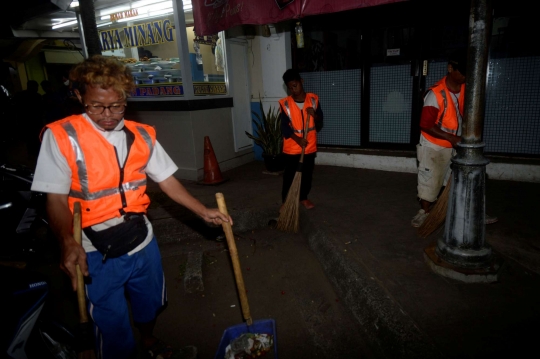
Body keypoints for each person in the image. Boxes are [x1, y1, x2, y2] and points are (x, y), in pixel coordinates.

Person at [30, 55, 232, 359]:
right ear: (79, 96)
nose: (108, 115)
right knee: (112, 327)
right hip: (92, 247)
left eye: (117, 105)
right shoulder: (62, 137)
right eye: (96, 106)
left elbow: (167, 181)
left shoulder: (141, 135)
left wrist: (203, 211)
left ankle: (149, 341)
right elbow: (55, 199)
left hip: (141, 239)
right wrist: (67, 242)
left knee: (150, 304)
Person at [411, 52, 498, 227]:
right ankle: (425, 212)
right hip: (434, 145)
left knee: (465, 181)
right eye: (462, 72)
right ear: (450, 68)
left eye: (468, 73)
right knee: (430, 182)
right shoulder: (435, 95)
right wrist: (451, 138)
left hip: (457, 144)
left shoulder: (467, 89)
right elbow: (426, 125)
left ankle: (474, 213)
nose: (466, 76)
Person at [279, 69, 323, 210]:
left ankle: (303, 197)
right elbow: (284, 127)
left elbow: (320, 121)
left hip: (309, 147)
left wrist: (315, 116)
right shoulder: (285, 104)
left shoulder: (313, 100)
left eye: (295, 85)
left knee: (307, 175)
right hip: (292, 148)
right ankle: (286, 202)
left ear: (301, 82)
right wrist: (297, 140)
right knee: (289, 176)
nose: (293, 89)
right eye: (290, 87)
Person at [12, 80, 43, 158]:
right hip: (33, 121)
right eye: (36, 87)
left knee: (30, 139)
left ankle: (32, 154)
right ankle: (35, 154)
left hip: (26, 121)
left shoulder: (20, 95)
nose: (37, 88)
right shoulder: (36, 96)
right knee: (35, 138)